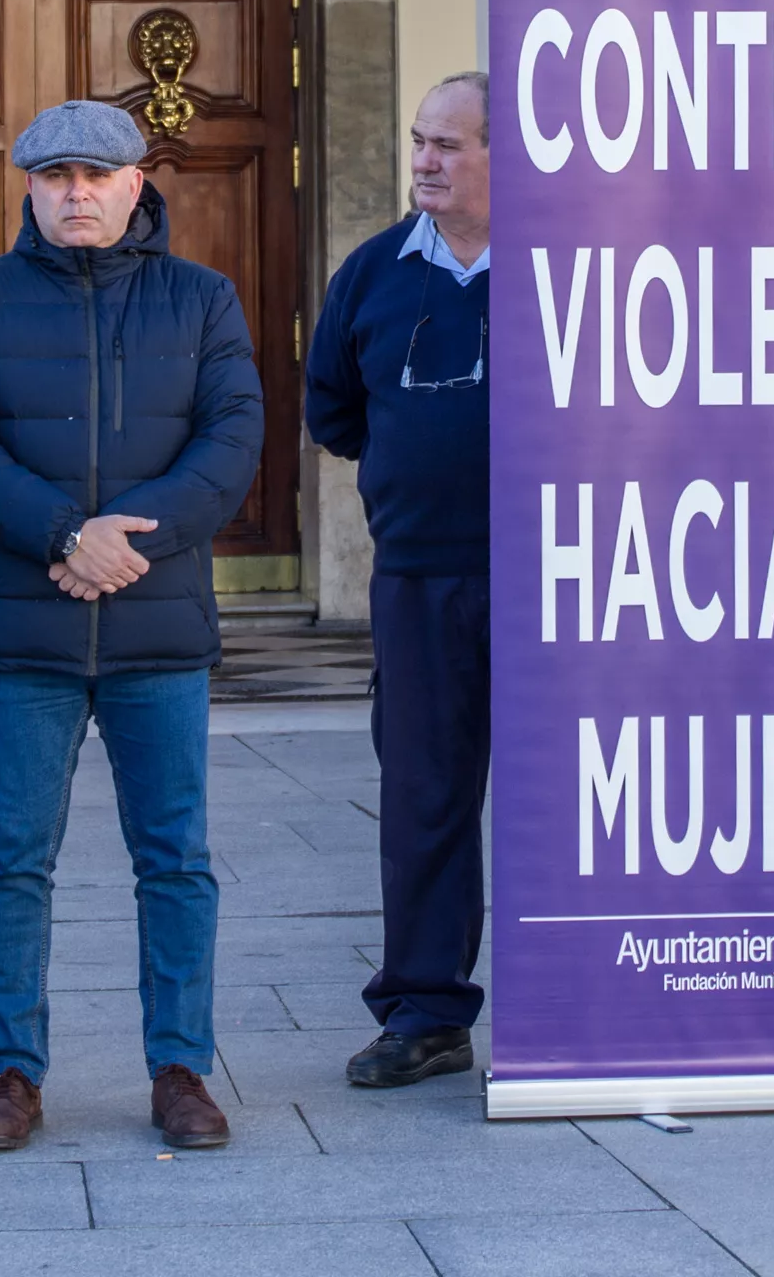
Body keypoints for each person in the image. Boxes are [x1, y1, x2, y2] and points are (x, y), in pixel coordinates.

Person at [0, 101, 265, 1155]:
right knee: (14, 857)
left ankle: (180, 1067)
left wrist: (128, 545)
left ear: (136, 182)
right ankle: (13, 1072)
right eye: (57, 173)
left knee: (174, 857)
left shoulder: (202, 299)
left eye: (97, 173)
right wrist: (67, 531)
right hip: (26, 631)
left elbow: (232, 436)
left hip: (158, 629)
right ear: (28, 185)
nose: (77, 191)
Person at [307, 74, 493, 1089]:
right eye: (420, 139)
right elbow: (333, 409)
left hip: (563, 578)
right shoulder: (375, 271)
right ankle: (425, 1011)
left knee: (574, 790)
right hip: (421, 578)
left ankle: (583, 992)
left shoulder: (573, 264)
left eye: (449, 144)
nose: (424, 158)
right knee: (426, 793)